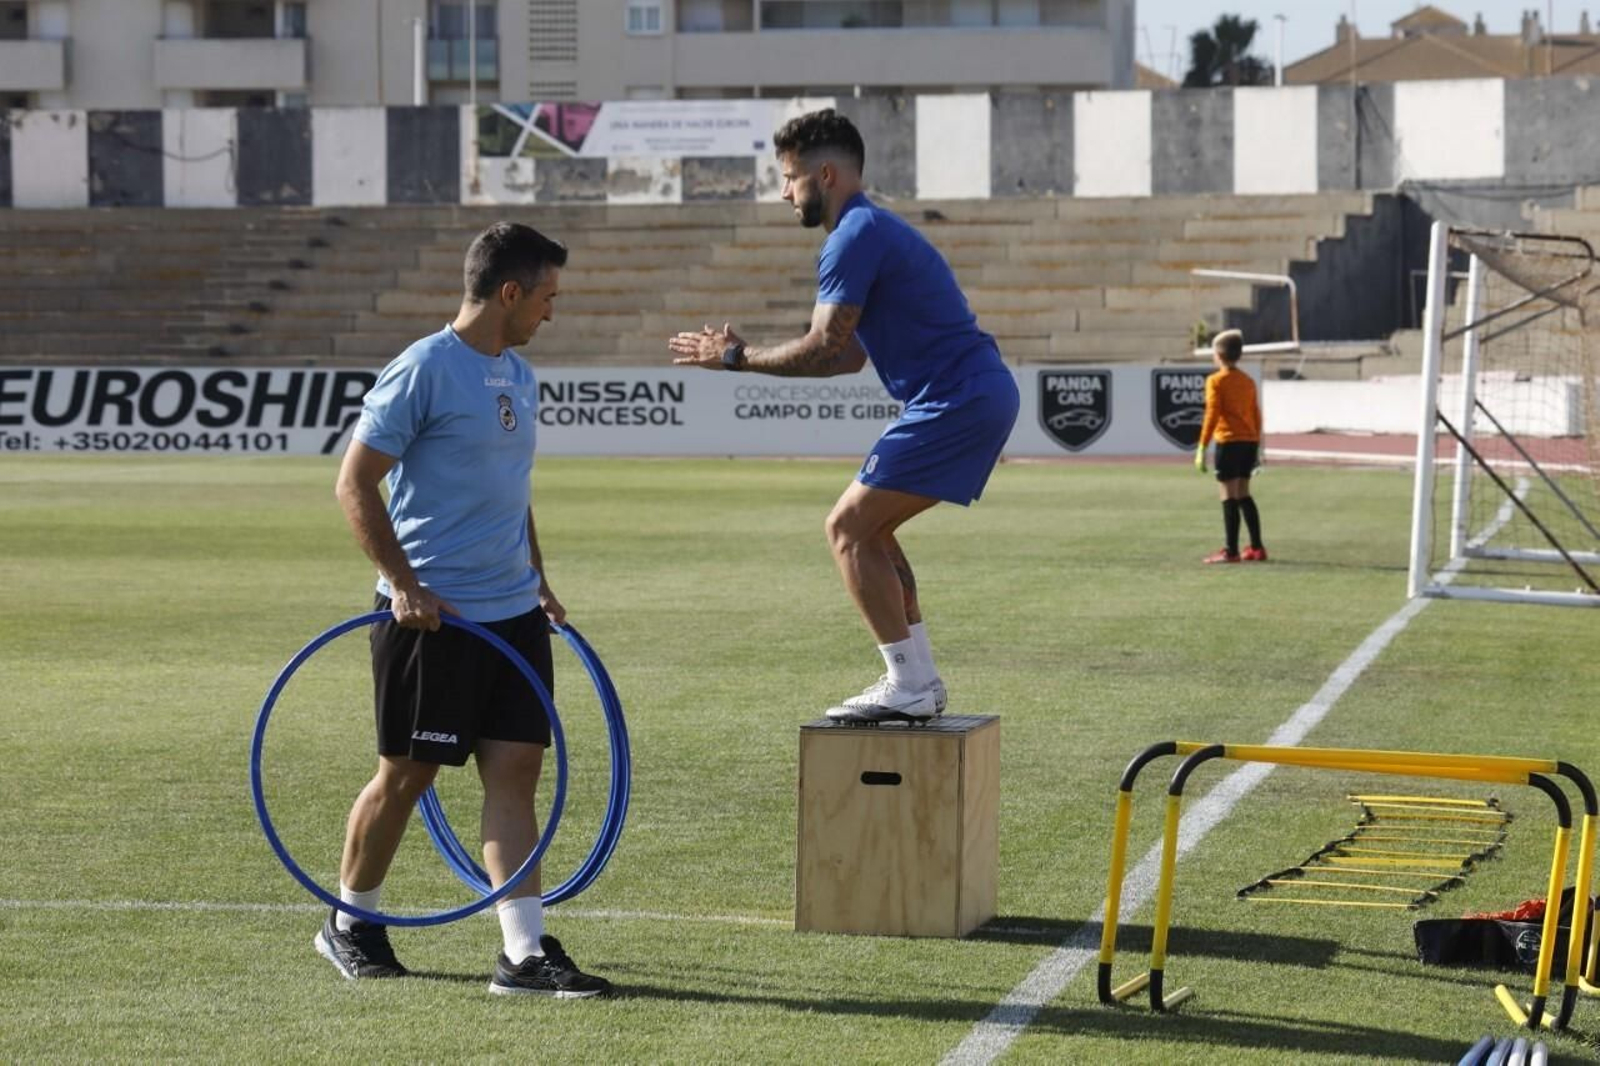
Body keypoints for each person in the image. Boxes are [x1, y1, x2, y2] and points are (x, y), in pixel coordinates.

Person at [323, 221, 610, 997]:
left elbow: (510, 494)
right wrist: (404, 584)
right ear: (509, 293)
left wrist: (539, 578)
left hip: (512, 614)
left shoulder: (518, 373)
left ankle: (523, 953)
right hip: (433, 617)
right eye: (547, 297)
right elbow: (355, 484)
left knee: (516, 770)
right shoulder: (423, 370)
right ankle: (350, 922)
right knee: (408, 775)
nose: (552, 312)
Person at [667, 108, 1020, 724]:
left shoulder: (853, 236)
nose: (783, 192)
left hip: (957, 396)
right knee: (871, 532)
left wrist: (735, 357)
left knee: (845, 528)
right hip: (970, 392)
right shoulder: (870, 230)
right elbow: (846, 359)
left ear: (823, 174)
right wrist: (742, 357)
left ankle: (909, 683)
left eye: (788, 177)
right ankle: (921, 682)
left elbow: (825, 345)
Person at [1195, 328, 1267, 564]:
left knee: (1228, 496)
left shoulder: (1216, 381)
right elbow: (1256, 414)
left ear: (1218, 355)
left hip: (1229, 441)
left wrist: (1202, 446)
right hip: (1248, 442)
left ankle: (1231, 550)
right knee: (1244, 494)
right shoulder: (1247, 381)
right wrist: (1258, 445)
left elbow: (1212, 414)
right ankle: (1257, 547)